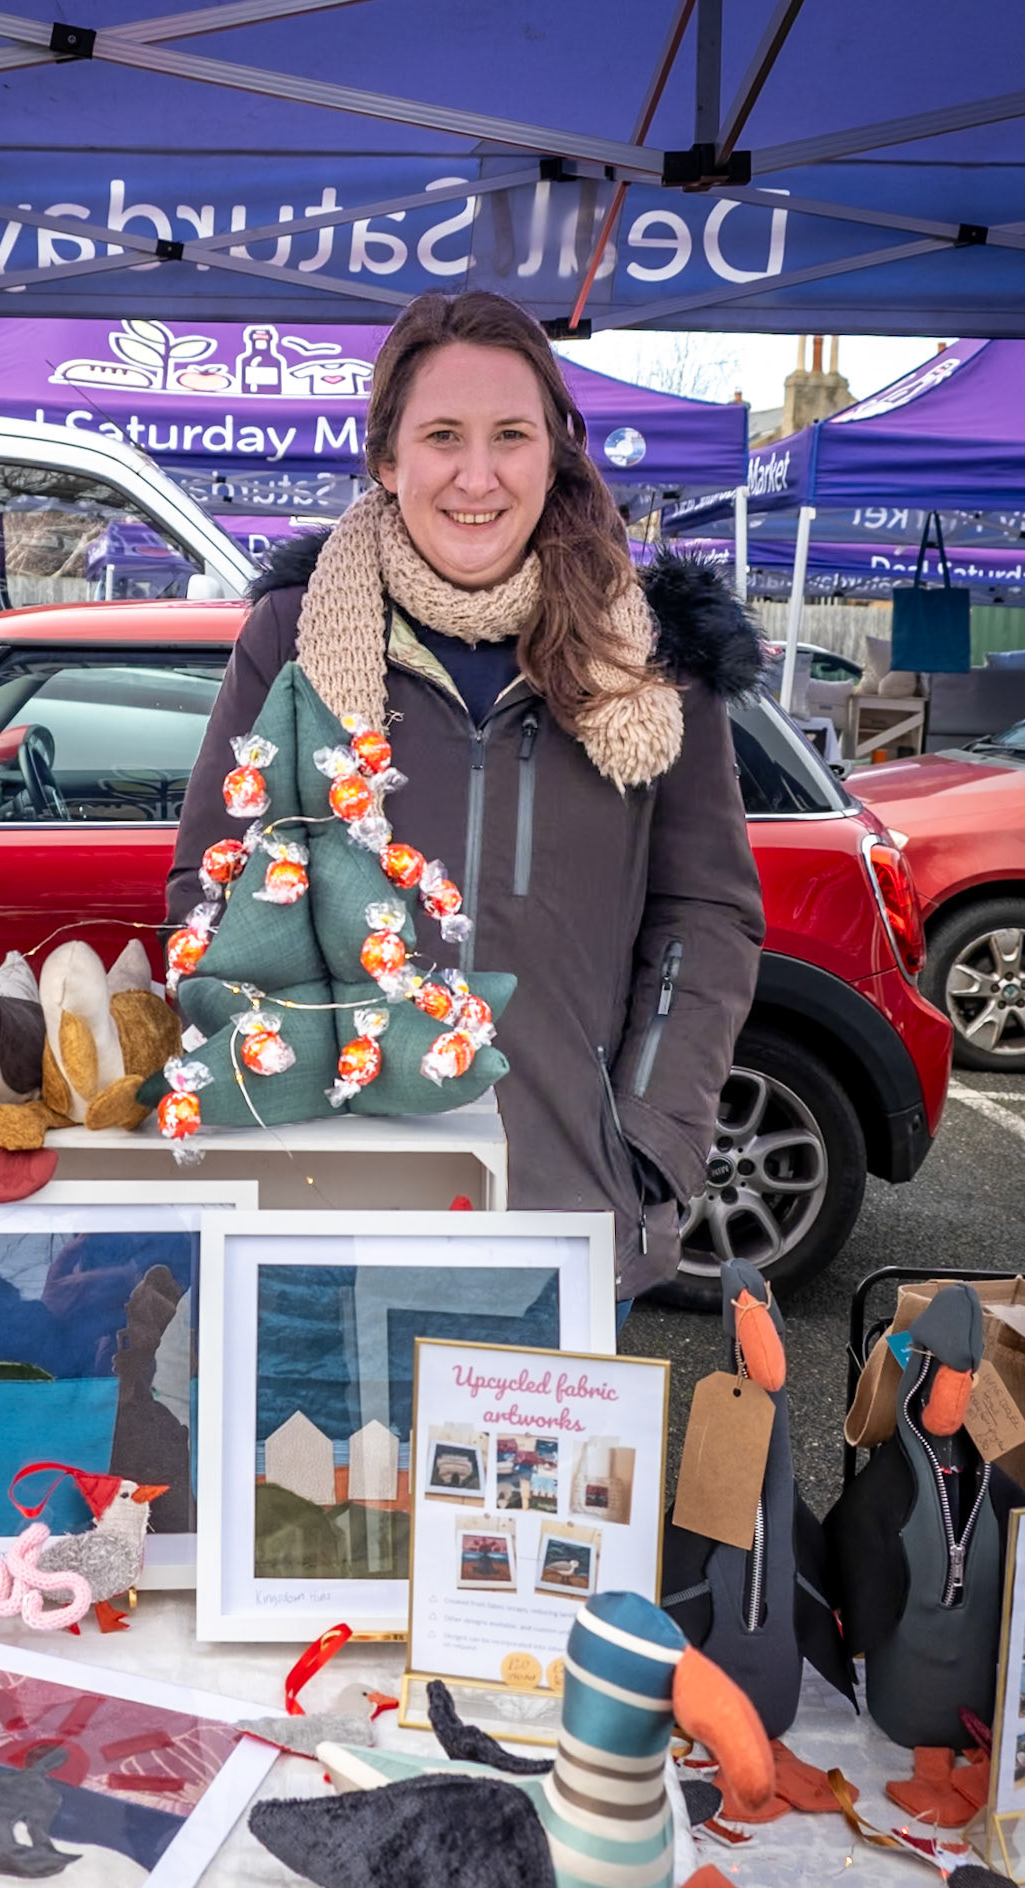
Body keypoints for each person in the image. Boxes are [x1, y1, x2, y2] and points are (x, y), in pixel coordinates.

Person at [168, 291, 765, 1306]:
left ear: (554, 452)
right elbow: (210, 889)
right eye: (442, 435)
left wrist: (650, 1140)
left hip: (561, 1217)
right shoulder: (294, 636)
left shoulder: (656, 660)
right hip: (322, 1213)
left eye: (510, 437)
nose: (477, 476)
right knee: (304, 1473)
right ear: (389, 458)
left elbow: (705, 915)